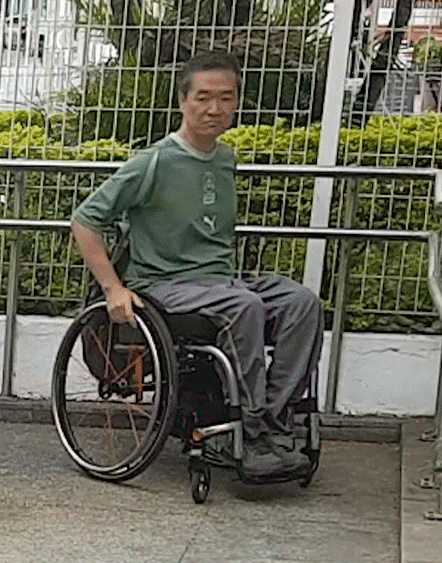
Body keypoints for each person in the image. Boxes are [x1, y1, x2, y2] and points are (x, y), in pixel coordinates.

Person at [70, 51, 323, 479]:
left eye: (225, 98)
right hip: (163, 283)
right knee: (244, 307)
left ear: (237, 102)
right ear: (183, 101)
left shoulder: (225, 158)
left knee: (302, 303)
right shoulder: (154, 162)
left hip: (221, 280)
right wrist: (114, 288)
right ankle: (249, 433)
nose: (214, 109)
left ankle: (273, 425)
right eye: (203, 98)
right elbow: (85, 220)